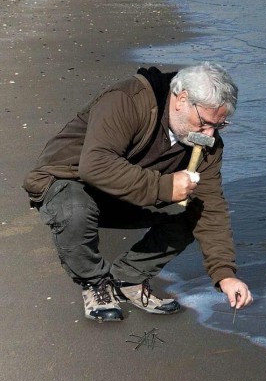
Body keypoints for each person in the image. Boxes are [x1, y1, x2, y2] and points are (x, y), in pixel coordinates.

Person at [23, 62, 253, 322]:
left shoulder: (206, 143)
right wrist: (165, 187)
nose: (209, 134)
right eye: (204, 123)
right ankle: (95, 283)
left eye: (219, 126)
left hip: (124, 193)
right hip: (67, 180)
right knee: (74, 210)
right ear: (181, 99)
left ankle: (128, 278)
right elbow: (95, 165)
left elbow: (210, 206)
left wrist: (225, 274)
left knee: (193, 211)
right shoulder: (127, 100)